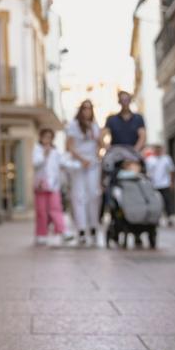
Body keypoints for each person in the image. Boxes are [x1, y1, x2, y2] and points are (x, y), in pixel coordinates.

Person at [66, 100, 102, 245]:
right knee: (79, 196)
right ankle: (81, 229)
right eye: (84, 108)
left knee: (94, 195)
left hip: (93, 165)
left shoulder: (94, 126)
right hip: (78, 165)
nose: (87, 111)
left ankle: (93, 226)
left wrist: (98, 153)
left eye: (89, 109)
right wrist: (82, 159)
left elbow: (100, 145)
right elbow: (69, 146)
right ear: (80, 110)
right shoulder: (73, 126)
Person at [32, 128, 72, 246]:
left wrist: (79, 164)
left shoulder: (55, 152)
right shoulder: (37, 150)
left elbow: (64, 163)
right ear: (41, 137)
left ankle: (62, 231)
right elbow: (35, 163)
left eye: (50, 137)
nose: (47, 139)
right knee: (41, 211)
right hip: (40, 186)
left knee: (56, 209)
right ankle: (41, 234)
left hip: (53, 185)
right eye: (45, 137)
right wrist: (44, 154)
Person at [145, 144, 175, 226]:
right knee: (156, 202)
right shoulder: (149, 160)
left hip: (165, 184)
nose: (157, 151)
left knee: (167, 201)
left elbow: (171, 170)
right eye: (156, 149)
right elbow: (146, 172)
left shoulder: (166, 159)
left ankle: (169, 217)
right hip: (153, 185)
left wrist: (172, 182)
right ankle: (157, 218)